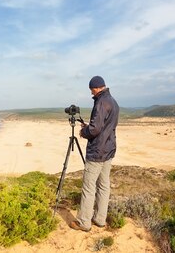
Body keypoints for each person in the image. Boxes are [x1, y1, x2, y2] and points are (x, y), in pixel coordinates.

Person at [70, 75, 119, 232]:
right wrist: (89, 125)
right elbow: (103, 126)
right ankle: (100, 219)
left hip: (97, 151)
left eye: (92, 90)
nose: (91, 93)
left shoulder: (101, 102)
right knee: (104, 185)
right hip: (108, 150)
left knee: (89, 187)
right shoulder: (112, 101)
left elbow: (95, 129)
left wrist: (84, 131)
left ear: (97, 87)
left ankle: (84, 222)